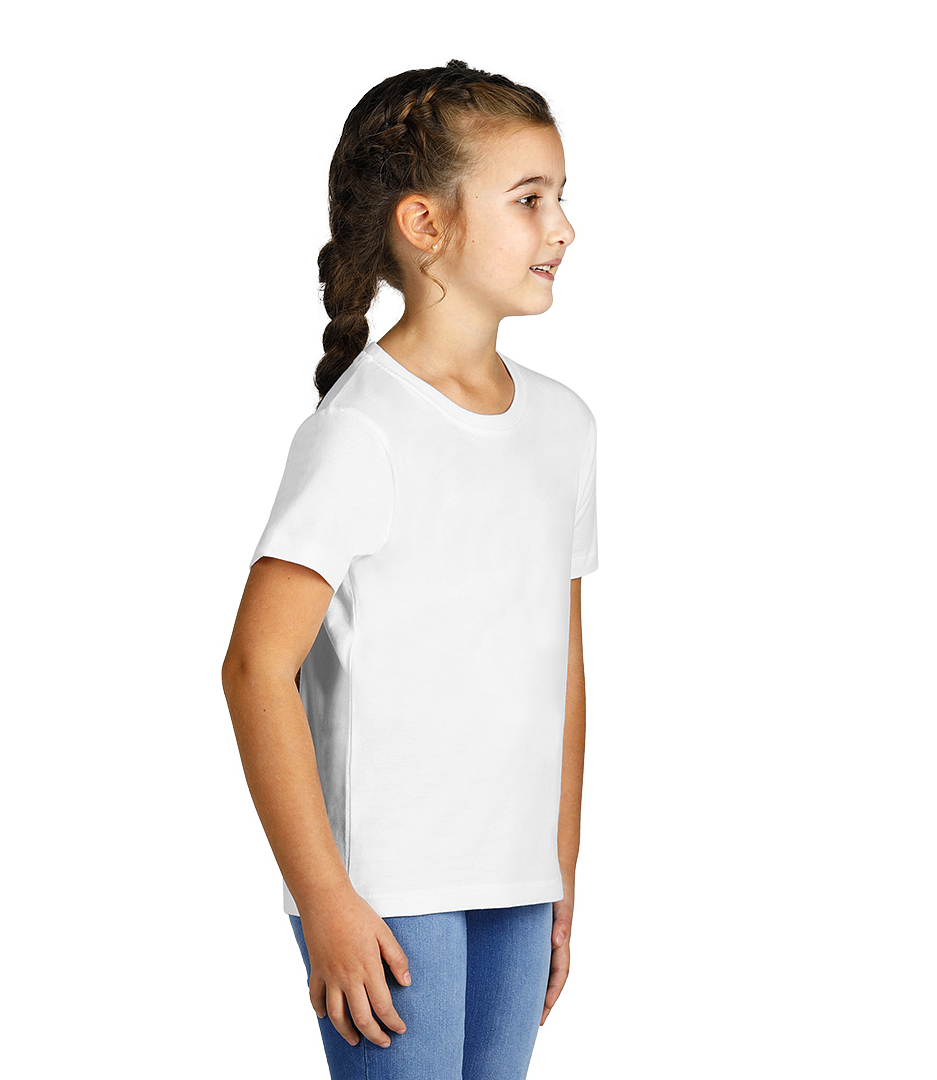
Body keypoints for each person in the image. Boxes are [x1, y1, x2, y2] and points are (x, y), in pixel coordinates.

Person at [221, 58, 598, 1079]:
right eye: (529, 200)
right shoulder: (363, 430)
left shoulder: (564, 426)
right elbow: (255, 668)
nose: (563, 228)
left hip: (515, 880)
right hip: (387, 889)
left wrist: (558, 872)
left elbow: (560, 668)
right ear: (425, 224)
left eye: (562, 197)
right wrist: (326, 898)